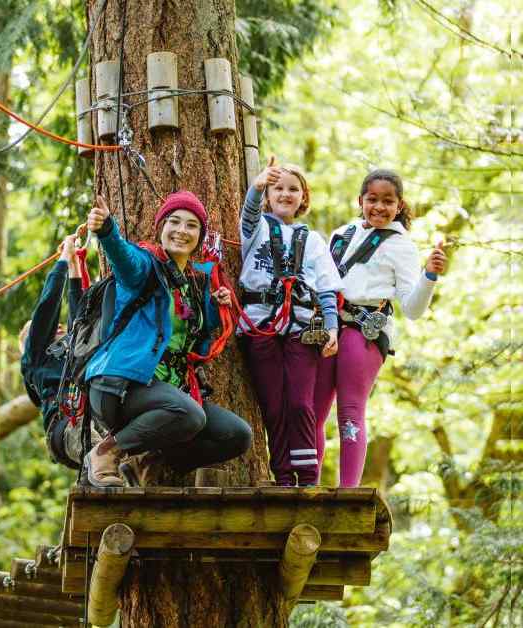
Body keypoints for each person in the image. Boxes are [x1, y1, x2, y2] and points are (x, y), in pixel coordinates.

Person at [82, 191, 253, 487]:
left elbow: (189, 334)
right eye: (174, 222)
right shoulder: (145, 266)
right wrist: (107, 230)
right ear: (161, 227)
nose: (181, 231)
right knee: (189, 413)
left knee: (237, 435)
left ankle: (147, 462)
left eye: (191, 225)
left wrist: (213, 309)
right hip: (120, 386)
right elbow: (124, 259)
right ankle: (106, 452)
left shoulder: (194, 283)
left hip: (168, 393)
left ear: (200, 236)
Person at [313, 169, 446, 487]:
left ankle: (348, 493)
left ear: (399, 205)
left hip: (366, 332)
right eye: (372, 199)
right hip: (330, 327)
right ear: (361, 200)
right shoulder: (340, 235)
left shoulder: (401, 246)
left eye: (388, 201)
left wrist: (429, 276)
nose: (379, 207)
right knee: (312, 411)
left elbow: (412, 309)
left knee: (349, 411)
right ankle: (307, 484)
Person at [236, 158, 342, 487]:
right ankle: (283, 475)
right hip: (260, 324)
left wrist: (332, 327)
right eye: (277, 188)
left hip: (300, 326)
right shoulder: (256, 231)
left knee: (300, 402)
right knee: (273, 403)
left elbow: (325, 287)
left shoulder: (312, 241)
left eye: (293, 189)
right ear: (268, 195)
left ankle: (308, 476)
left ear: (303, 197)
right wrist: (256, 186)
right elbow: (249, 214)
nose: (285, 194)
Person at [20, 232, 90, 470]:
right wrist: (62, 259)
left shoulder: (71, 348)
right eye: (51, 329)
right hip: (64, 428)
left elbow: (78, 317)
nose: (58, 326)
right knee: (98, 445)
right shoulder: (35, 358)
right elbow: (48, 307)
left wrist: (73, 266)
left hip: (90, 416)